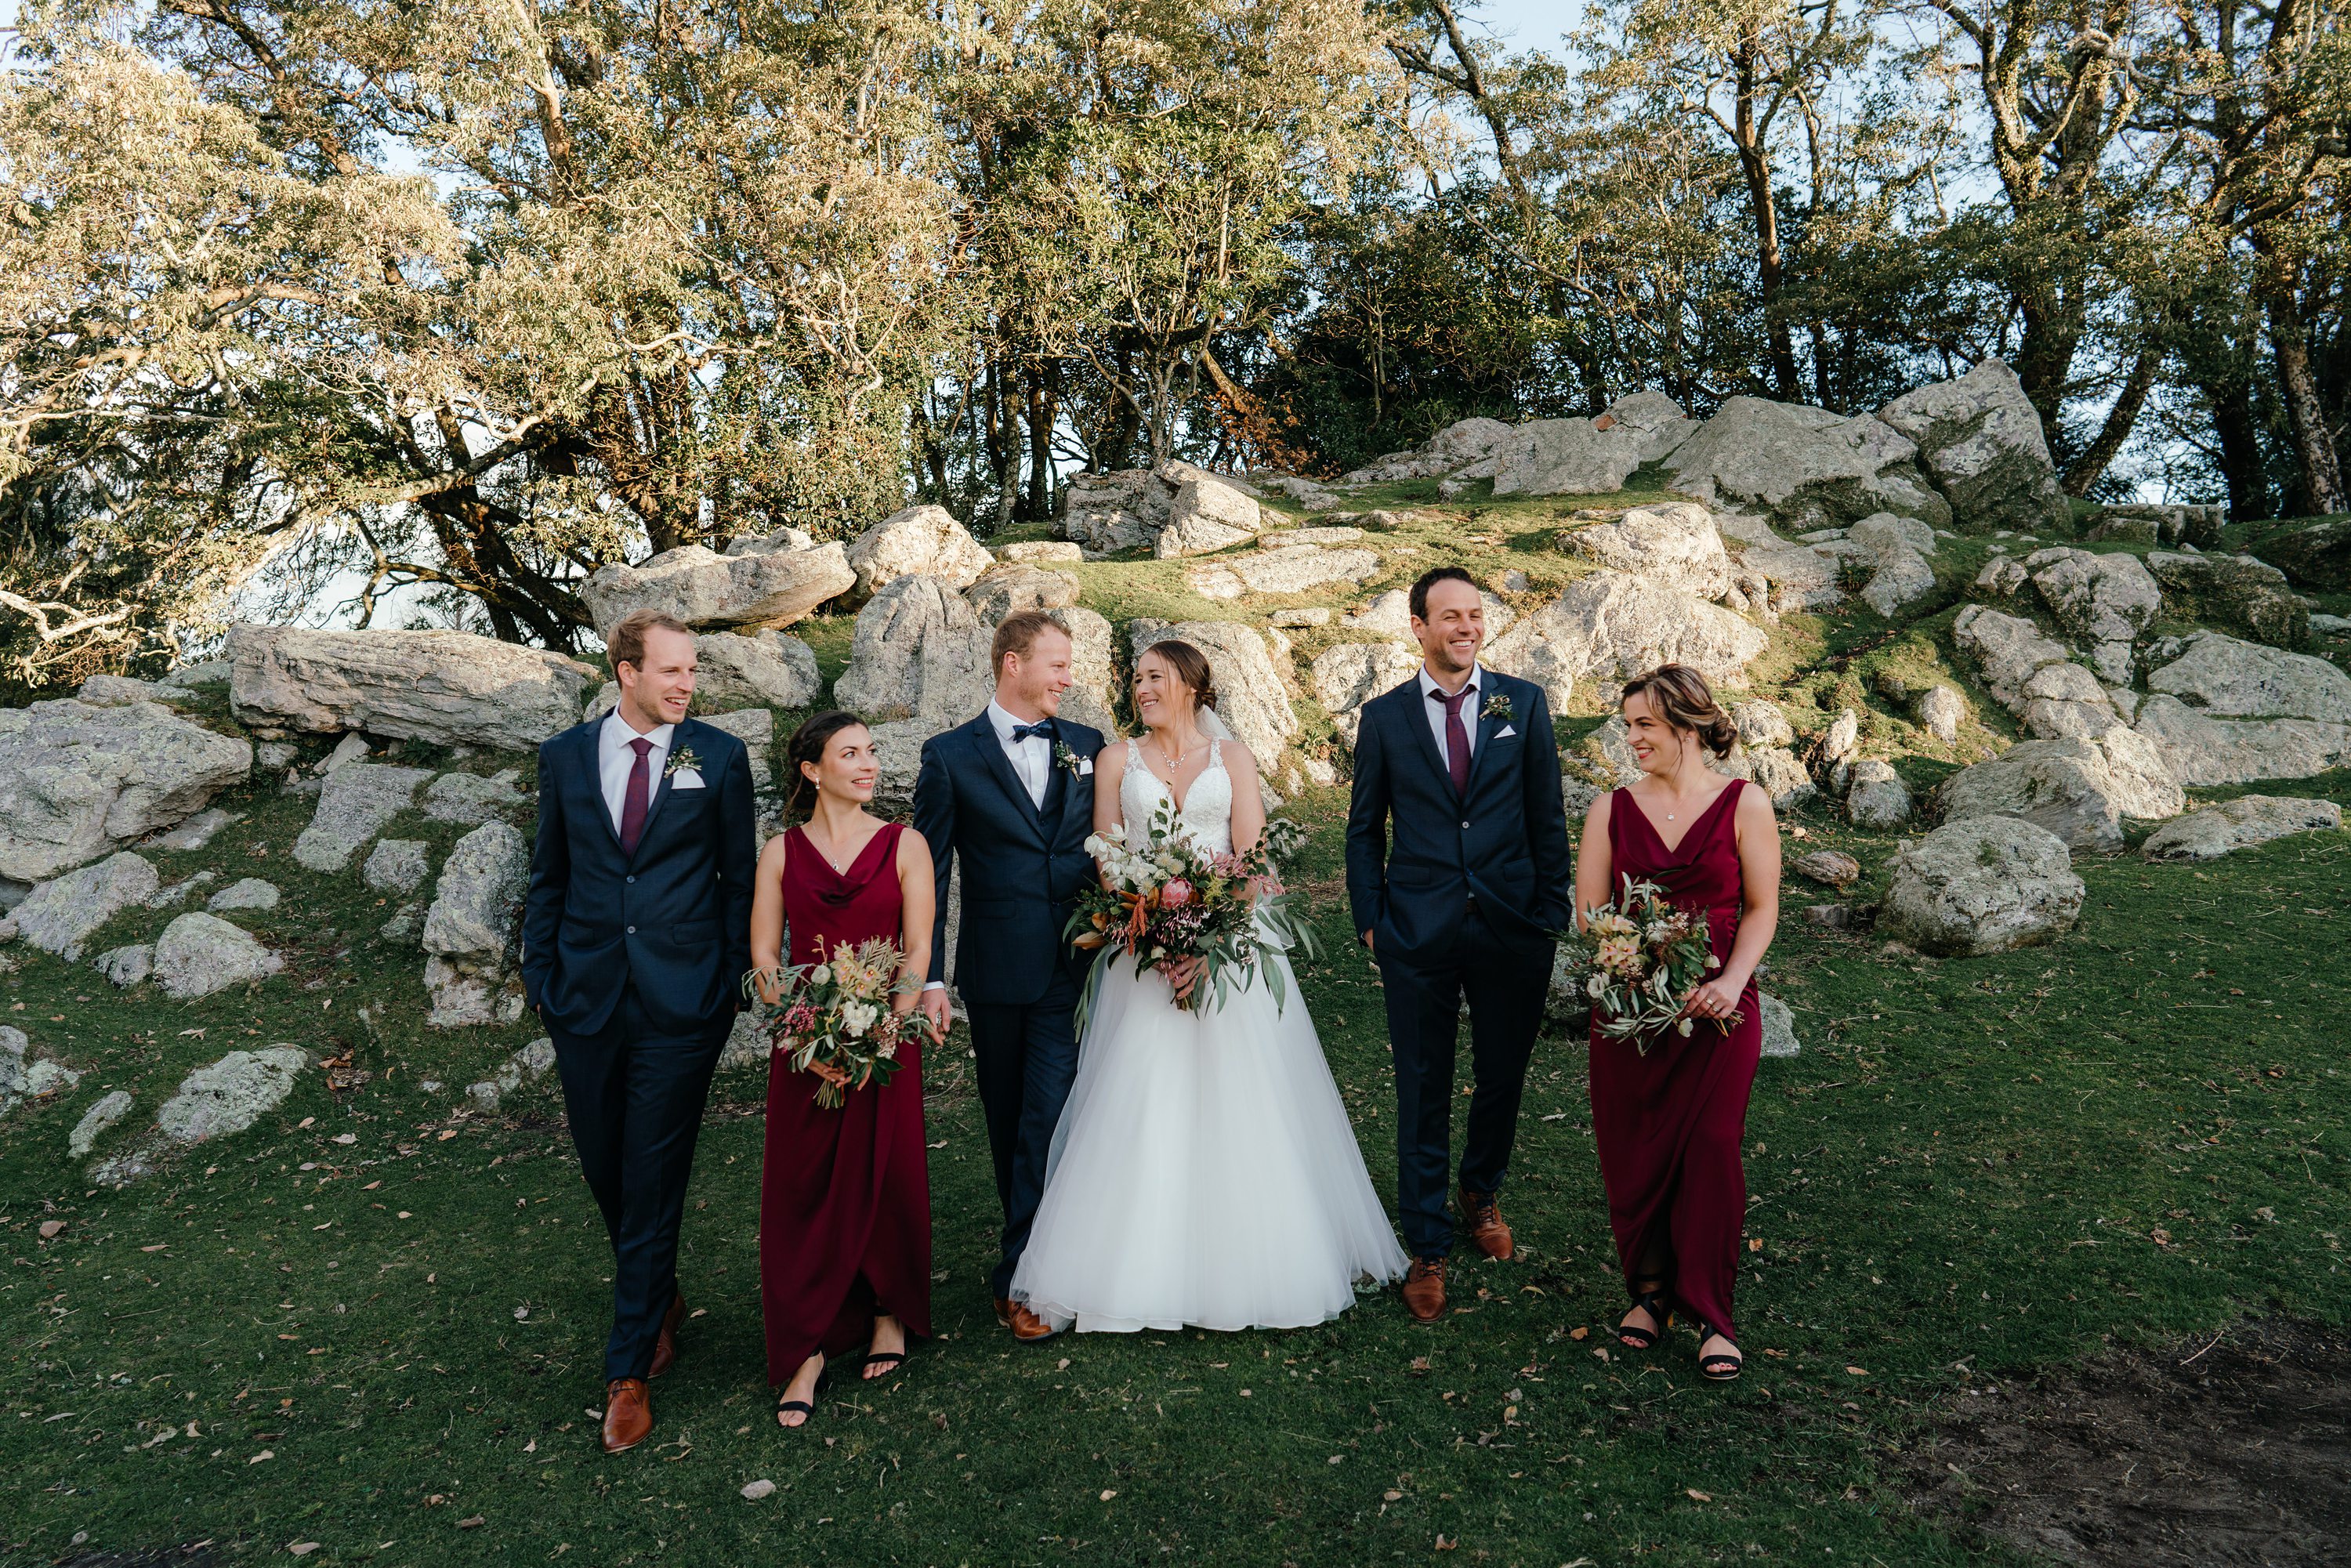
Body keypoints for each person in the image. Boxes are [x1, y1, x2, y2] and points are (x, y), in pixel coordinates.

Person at [1008, 640, 1407, 1332]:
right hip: (1143, 954)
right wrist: (1158, 933)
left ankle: (1251, 1259)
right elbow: (1106, 858)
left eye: (1154, 676)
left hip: (1230, 954)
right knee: (1141, 1101)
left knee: (1244, 1102)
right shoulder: (1115, 760)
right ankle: (1122, 1269)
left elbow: (1251, 861)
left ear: (1190, 685)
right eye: (1136, 679)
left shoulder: (1236, 759)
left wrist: (1209, 939)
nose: (1142, 689)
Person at [520, 609, 758, 1454]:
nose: (687, 685)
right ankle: (654, 1290)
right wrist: (539, 977)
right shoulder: (564, 758)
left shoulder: (720, 759)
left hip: (682, 1003)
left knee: (652, 1174)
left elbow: (739, 881)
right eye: (671, 672)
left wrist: (727, 984)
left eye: (693, 671)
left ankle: (626, 1371)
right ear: (625, 671)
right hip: (583, 999)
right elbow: (550, 875)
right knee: (605, 1167)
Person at [1344, 566, 1573, 1321]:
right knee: (1423, 1084)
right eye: (1450, 616)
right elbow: (1362, 829)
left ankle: (1482, 1193)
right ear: (1418, 626)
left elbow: (1547, 815)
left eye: (1475, 614)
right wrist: (1373, 919)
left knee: (1503, 1073)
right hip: (1418, 930)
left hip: (1513, 926)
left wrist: (1549, 910)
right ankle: (1428, 1242)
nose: (1466, 626)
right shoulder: (1383, 718)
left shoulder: (1523, 702)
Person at [1576, 664, 1780, 1382]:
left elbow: (1761, 909)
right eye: (1629, 724)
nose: (1631, 738)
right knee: (1637, 1150)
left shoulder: (1745, 803)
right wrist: (1628, 965)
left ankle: (1712, 1313)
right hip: (1634, 1013)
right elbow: (1592, 916)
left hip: (1721, 1011)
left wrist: (1729, 980)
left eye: (1645, 725)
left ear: (1688, 728)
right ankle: (1651, 1292)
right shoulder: (1610, 809)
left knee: (1713, 1144)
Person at [910, 611, 1107, 1342]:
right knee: (1005, 1120)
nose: (1067, 677)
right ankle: (1034, 1248)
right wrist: (928, 977)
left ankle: (1023, 1274)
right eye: (1056, 663)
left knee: (1047, 1114)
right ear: (1011, 664)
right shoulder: (949, 756)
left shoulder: (1087, 746)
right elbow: (928, 871)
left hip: (1074, 963)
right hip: (993, 970)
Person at [750, 712, 940, 1428]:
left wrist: (885, 1031)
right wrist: (806, 1025)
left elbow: (916, 946)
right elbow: (766, 956)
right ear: (810, 769)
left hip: (888, 1038)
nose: (868, 765)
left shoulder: (905, 843)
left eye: (872, 752)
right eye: (850, 753)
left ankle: (890, 1311)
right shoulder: (779, 852)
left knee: (888, 1173)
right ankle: (806, 1346)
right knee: (800, 1187)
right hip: (806, 1046)